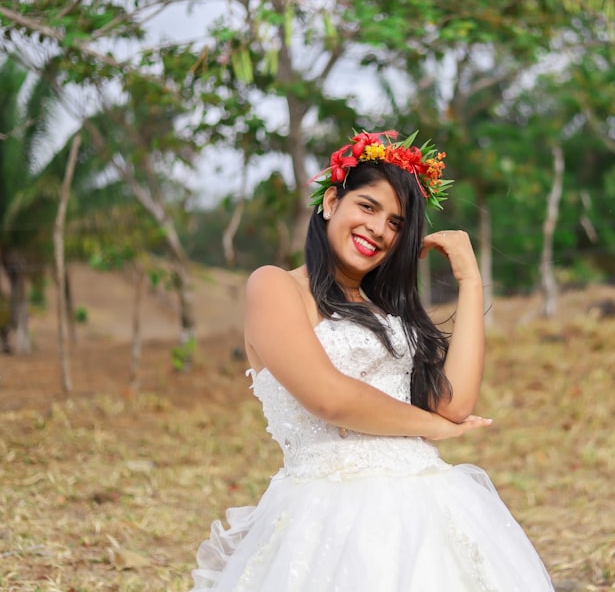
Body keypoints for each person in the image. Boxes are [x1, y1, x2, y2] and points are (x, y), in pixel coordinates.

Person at [189, 130, 555, 591]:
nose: (380, 229)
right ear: (330, 203)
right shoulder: (275, 287)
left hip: (426, 503)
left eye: (397, 223)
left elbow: (455, 404)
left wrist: (471, 279)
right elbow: (329, 397)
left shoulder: (387, 309)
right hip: (326, 514)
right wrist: (433, 428)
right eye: (367, 207)